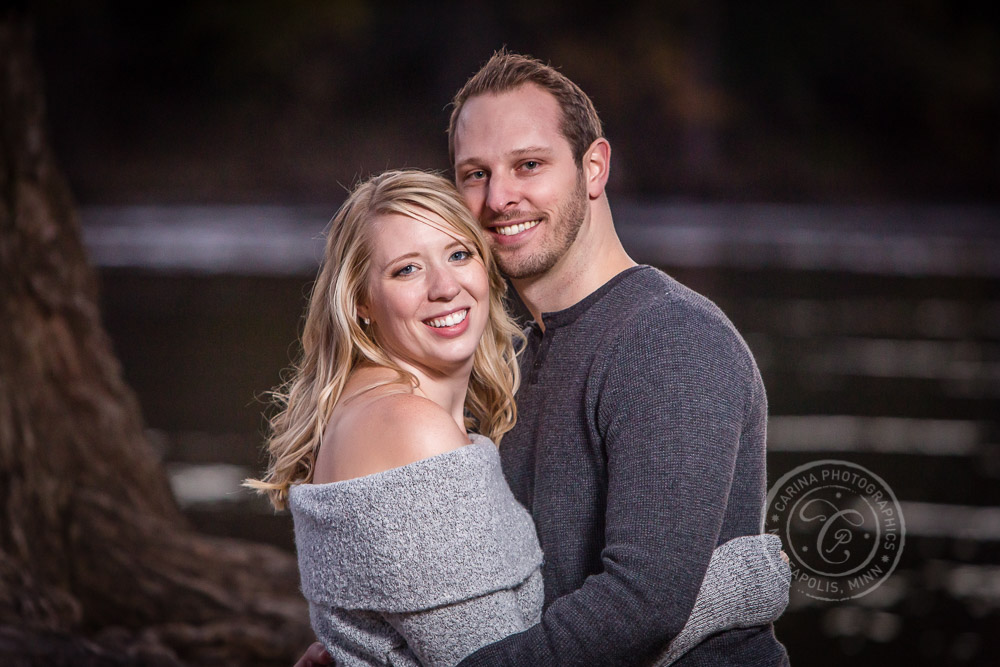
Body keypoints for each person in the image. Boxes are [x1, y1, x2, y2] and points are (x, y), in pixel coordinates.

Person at [260, 170, 789, 667]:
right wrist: (730, 587)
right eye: (407, 269)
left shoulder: (387, 411)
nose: (444, 286)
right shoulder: (409, 427)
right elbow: (504, 659)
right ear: (359, 304)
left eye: (459, 254)